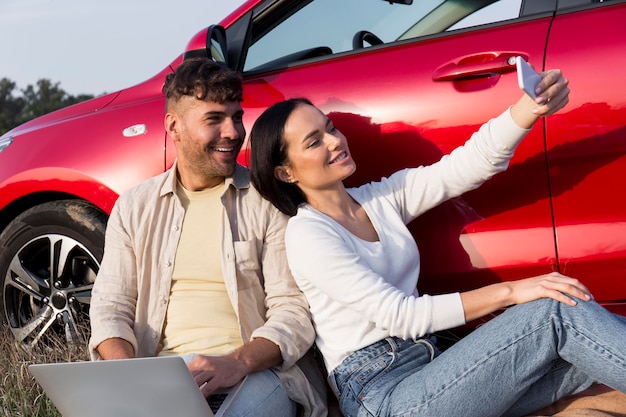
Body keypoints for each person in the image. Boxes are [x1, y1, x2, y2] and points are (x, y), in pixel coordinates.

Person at [248, 70, 626, 417]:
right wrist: (511, 291)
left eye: (330, 128)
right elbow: (403, 316)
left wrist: (528, 108)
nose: (335, 141)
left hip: (436, 369)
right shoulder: (309, 234)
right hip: (385, 396)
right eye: (315, 142)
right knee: (554, 311)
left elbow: (466, 166)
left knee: (586, 346)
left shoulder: (380, 199)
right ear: (286, 172)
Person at [88, 57, 326, 417]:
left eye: (237, 117)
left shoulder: (266, 200)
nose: (232, 132)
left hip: (251, 371)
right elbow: (110, 308)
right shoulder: (135, 206)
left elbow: (292, 311)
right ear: (174, 126)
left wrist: (237, 362)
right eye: (214, 119)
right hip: (161, 376)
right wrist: (133, 379)